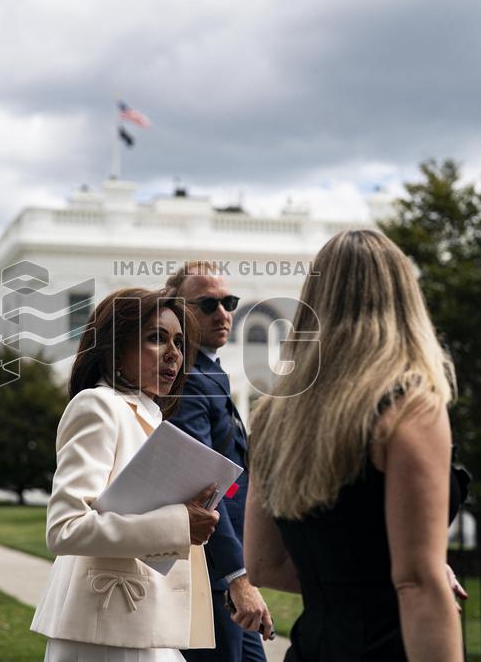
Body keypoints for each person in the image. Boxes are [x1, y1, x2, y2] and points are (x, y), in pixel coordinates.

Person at [244, 229, 467, 662]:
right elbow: (417, 583)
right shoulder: (408, 405)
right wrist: (404, 575)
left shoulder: (275, 415)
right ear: (404, 297)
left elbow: (263, 564)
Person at [31, 287, 221, 661]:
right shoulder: (98, 406)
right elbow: (65, 528)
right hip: (105, 628)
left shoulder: (149, 414)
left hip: (145, 623)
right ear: (116, 348)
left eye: (179, 342)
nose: (173, 355)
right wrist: (179, 524)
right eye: (156, 338)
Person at [164, 262, 273, 662]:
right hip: (209, 572)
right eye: (207, 304)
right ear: (177, 310)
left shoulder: (207, 370)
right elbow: (205, 482)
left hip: (226, 567)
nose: (223, 313)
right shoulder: (189, 377)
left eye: (229, 302)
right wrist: (235, 577)